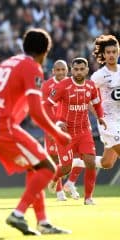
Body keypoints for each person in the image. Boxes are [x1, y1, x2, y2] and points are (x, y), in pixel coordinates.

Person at [0, 28, 71, 235]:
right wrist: (58, 134)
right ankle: (18, 214)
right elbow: (37, 112)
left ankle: (43, 222)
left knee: (35, 168)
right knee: (48, 168)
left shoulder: (8, 63)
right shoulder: (32, 67)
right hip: (2, 126)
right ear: (45, 51)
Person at [44, 58, 106, 205]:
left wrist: (101, 117)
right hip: (66, 133)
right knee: (65, 167)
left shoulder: (91, 86)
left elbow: (97, 105)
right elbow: (47, 106)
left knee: (90, 162)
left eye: (81, 69)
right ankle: (54, 179)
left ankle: (88, 198)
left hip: (84, 130)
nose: (78, 72)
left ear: (86, 70)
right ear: (71, 70)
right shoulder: (63, 86)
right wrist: (56, 124)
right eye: (76, 69)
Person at [64, 34, 120, 197]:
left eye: (114, 51)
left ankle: (76, 162)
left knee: (107, 163)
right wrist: (98, 114)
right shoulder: (99, 75)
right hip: (108, 122)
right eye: (108, 52)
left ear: (118, 52)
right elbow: (85, 95)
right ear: (103, 55)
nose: (111, 54)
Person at [41, 60, 69, 201]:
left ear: (67, 70)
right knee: (54, 158)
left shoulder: (72, 84)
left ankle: (70, 185)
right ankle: (59, 192)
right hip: (53, 127)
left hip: (70, 127)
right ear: (53, 71)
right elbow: (44, 108)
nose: (60, 72)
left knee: (71, 160)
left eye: (62, 69)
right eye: (57, 70)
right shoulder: (47, 86)